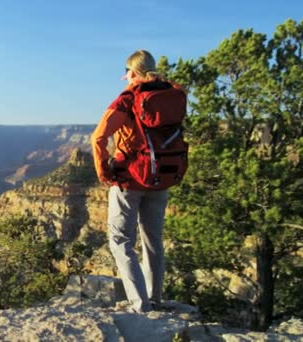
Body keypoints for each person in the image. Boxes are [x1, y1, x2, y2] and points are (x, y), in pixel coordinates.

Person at [91, 50, 184, 313]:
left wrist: (104, 172)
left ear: (133, 72)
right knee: (153, 240)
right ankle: (155, 298)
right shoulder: (174, 95)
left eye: (127, 73)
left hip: (130, 178)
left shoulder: (128, 99)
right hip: (161, 176)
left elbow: (98, 137)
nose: (125, 77)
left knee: (121, 241)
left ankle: (140, 304)